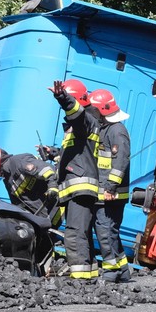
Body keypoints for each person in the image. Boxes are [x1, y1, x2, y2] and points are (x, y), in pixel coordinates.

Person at [49, 78, 101, 279]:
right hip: (79, 187)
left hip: (79, 186)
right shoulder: (84, 125)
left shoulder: (85, 119)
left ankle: (79, 278)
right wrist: (52, 152)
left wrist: (62, 97)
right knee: (83, 233)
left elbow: (76, 113)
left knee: (74, 232)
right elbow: (77, 151)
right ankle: (90, 275)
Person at [88, 89, 132, 283]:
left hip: (112, 194)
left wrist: (110, 188)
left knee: (105, 231)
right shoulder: (106, 128)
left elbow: (121, 160)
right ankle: (123, 270)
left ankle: (110, 272)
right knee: (110, 231)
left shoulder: (116, 130)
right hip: (106, 191)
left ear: (101, 110)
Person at [0, 148, 62, 227]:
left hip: (60, 207)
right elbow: (18, 206)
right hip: (47, 219)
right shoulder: (8, 180)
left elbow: (46, 170)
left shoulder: (17, 161)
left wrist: (53, 187)